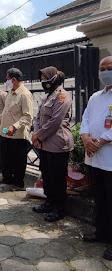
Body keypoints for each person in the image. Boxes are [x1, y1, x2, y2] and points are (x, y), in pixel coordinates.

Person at [79, 56, 112, 261]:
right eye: (102, 68)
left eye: (110, 68)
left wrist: (100, 141)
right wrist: (85, 137)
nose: (105, 71)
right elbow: (86, 118)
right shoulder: (95, 97)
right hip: (94, 157)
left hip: (109, 156)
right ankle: (101, 233)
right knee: (100, 199)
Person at [31, 67, 73, 222]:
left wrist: (38, 136)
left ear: (52, 79)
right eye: (41, 78)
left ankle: (59, 209)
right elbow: (37, 118)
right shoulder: (47, 96)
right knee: (47, 175)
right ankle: (49, 202)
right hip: (44, 143)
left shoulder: (62, 96)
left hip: (57, 143)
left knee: (57, 177)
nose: (43, 81)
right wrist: (36, 134)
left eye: (45, 78)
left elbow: (55, 121)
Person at [0, 68, 33, 191]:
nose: (6, 82)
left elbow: (28, 116)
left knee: (18, 160)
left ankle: (18, 183)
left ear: (14, 79)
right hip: (5, 131)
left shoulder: (25, 95)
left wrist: (14, 126)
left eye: (8, 79)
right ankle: (7, 178)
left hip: (17, 134)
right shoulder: (10, 92)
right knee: (5, 157)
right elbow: (6, 110)